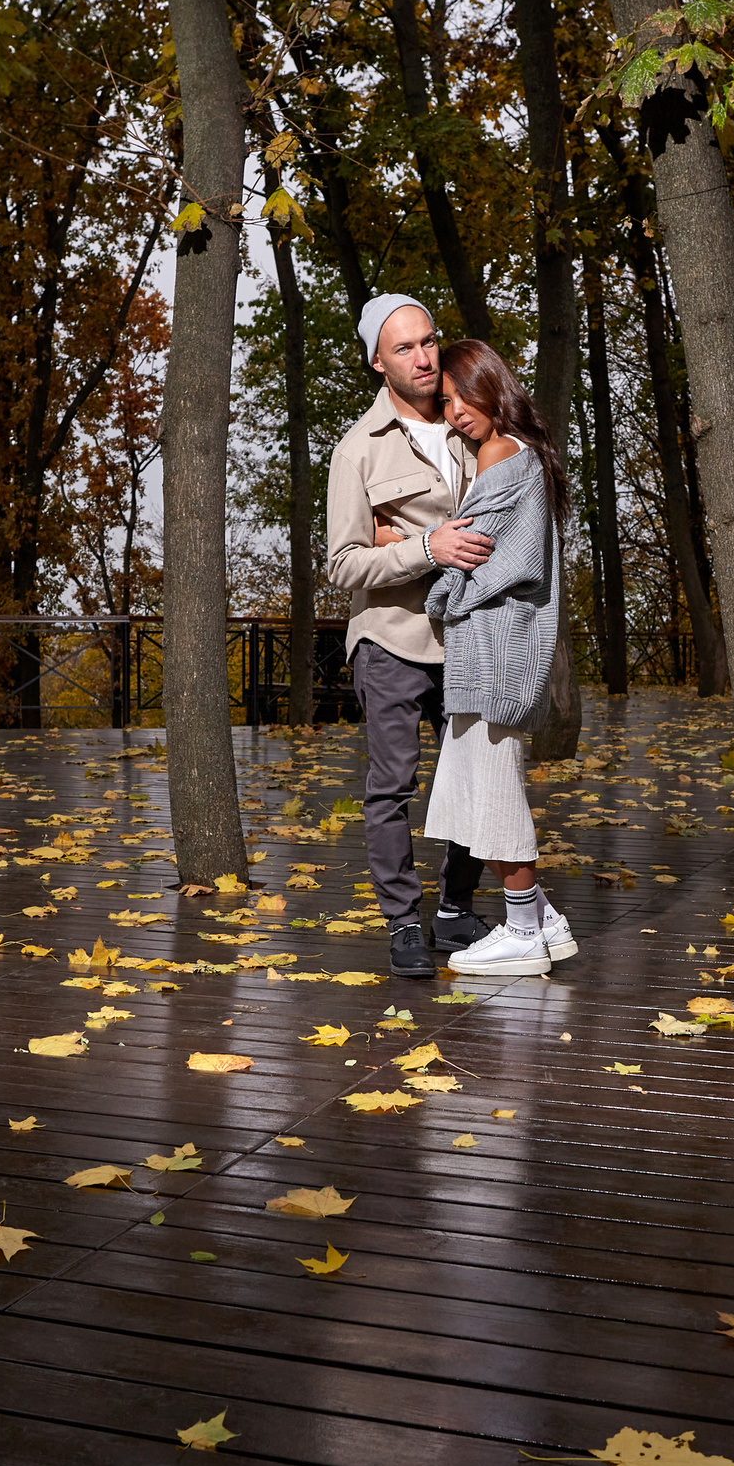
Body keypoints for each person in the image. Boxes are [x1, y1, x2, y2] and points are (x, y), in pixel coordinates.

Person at [325, 295, 496, 979]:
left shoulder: (472, 426)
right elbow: (344, 562)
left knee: (475, 777)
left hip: (470, 637)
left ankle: (456, 908)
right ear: (377, 361)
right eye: (405, 348)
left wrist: (414, 535)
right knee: (392, 785)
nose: (424, 357)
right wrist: (425, 545)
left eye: (429, 341)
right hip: (391, 638)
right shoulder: (356, 451)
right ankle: (402, 921)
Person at [419, 339, 576, 975]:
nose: (456, 411)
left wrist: (436, 586)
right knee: (465, 788)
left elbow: (492, 560)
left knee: (492, 789)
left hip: (497, 655)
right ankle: (545, 919)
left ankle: (521, 931)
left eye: (464, 395)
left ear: (492, 385)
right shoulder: (523, 455)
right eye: (447, 401)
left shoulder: (500, 454)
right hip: (488, 653)